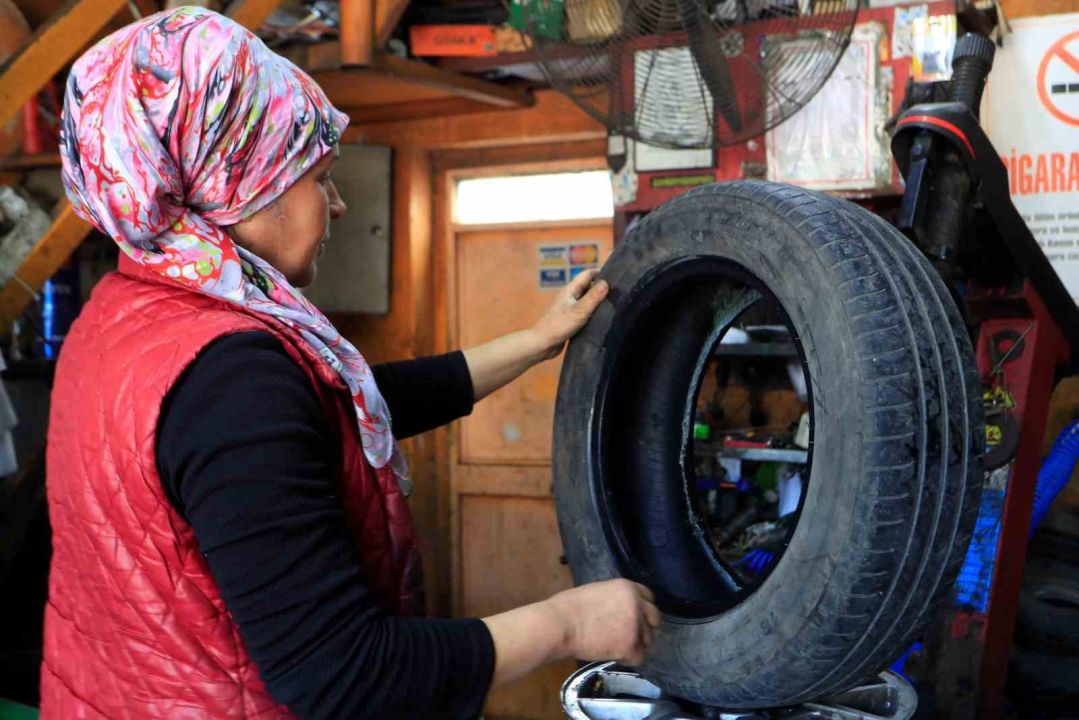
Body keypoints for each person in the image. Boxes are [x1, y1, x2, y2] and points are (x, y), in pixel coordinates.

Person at [42, 7, 658, 719]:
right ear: (243, 182)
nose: (335, 205)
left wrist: (534, 340)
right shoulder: (234, 378)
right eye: (317, 175)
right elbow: (341, 676)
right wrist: (571, 623)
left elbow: (330, 410)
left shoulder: (127, 313)